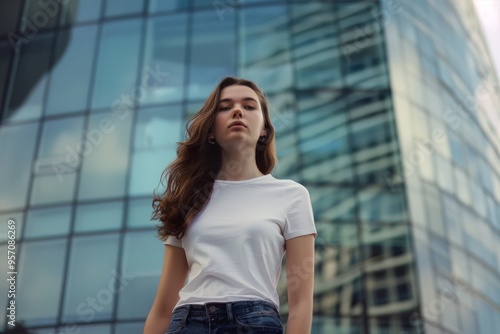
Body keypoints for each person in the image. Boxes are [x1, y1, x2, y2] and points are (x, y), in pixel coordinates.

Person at [143, 77, 317, 334]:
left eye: (249, 106)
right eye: (225, 107)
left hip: (254, 322)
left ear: (265, 130)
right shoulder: (188, 199)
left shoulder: (291, 195)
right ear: (211, 130)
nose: (237, 111)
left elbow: (301, 304)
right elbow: (162, 308)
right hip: (188, 323)